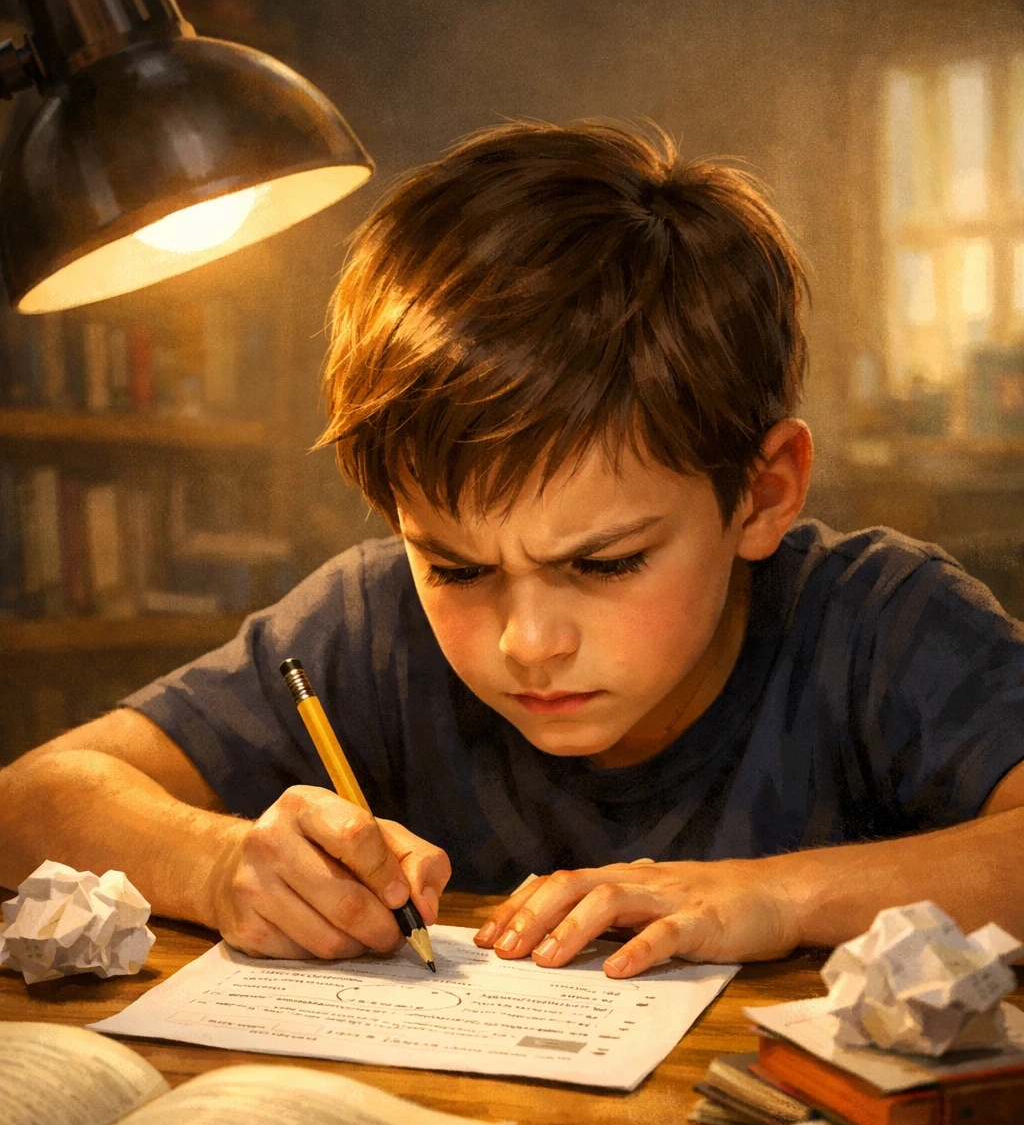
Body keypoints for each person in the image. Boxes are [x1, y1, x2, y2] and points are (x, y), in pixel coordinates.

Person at [4, 120, 1024, 979]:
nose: (528, 643)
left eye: (605, 563)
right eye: (456, 567)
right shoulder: (370, 626)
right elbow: (30, 802)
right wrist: (217, 863)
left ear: (761, 493)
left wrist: (780, 893)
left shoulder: (877, 622)